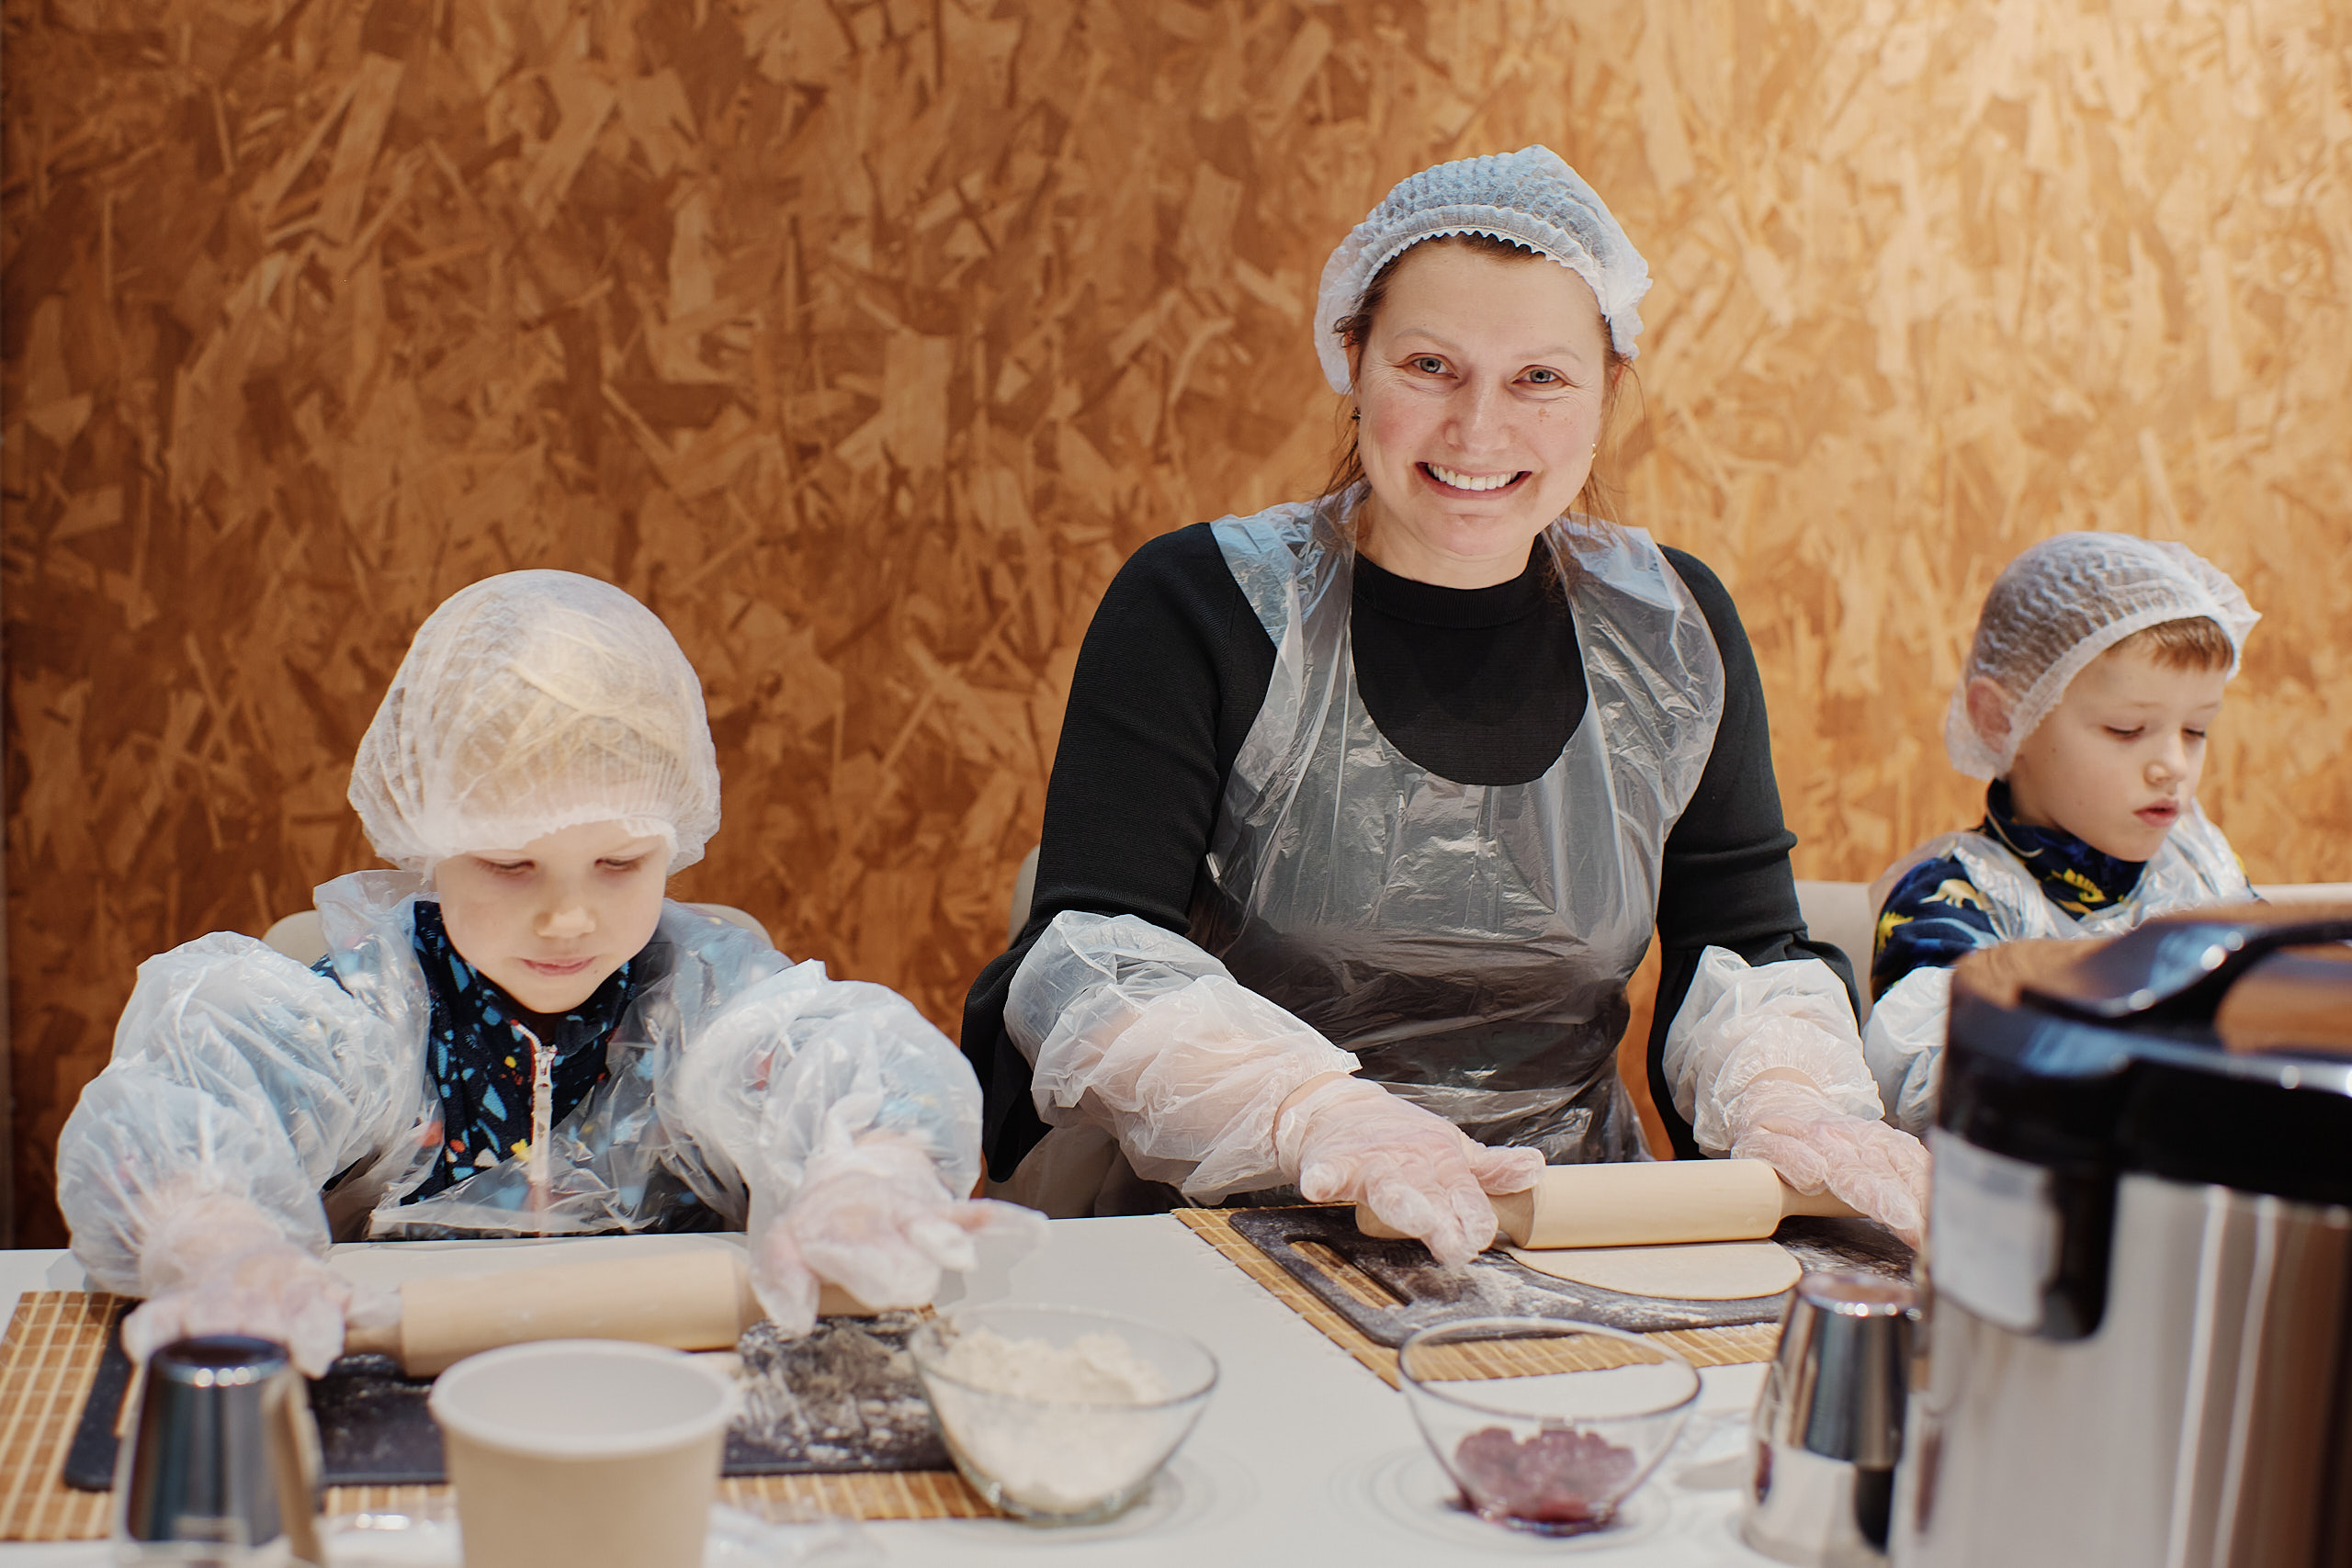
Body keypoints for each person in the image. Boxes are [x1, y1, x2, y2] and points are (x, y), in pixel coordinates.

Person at [960, 146, 1927, 1262]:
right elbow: (1093, 958)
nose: (1478, 430)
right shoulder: (1201, 603)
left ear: (1606, 391)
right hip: (1245, 1232)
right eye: (1430, 365)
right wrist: (1321, 1121)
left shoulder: (1672, 628)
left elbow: (1745, 949)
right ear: (1352, 357)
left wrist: (1790, 1101)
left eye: (1539, 378)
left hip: (1568, 1237)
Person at [58, 570, 1033, 1372]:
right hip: (405, 1396)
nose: (569, 917)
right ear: (428, 839)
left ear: (674, 840)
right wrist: (216, 1239)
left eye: (619, 863)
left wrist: (867, 1173)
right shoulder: (355, 1013)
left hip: (683, 1391)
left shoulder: (706, 1005)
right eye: (509, 864)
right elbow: (173, 1121)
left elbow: (863, 1071)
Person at [1863, 534, 2258, 1131]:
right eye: (2127, 729)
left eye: (2196, 730)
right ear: (2002, 721)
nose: (2173, 765)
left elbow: (2279, 1003)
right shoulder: (1951, 900)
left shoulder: (2204, 865)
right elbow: (1947, 1087)